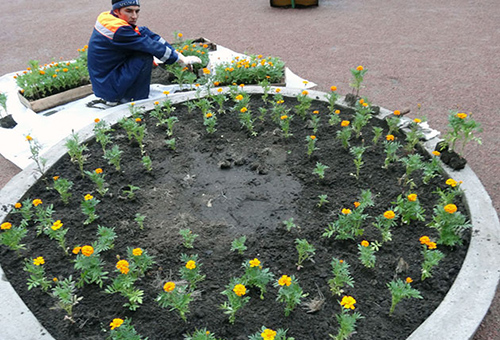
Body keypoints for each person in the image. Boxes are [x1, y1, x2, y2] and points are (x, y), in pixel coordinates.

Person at [87, 0, 201, 105]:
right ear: (117, 11)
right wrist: (180, 60)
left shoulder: (108, 18)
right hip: (110, 87)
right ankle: (134, 99)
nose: (134, 16)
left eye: (137, 11)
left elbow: (147, 36)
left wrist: (178, 55)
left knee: (143, 31)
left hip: (105, 81)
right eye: (129, 11)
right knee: (145, 55)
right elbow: (149, 46)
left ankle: (121, 94)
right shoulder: (120, 30)